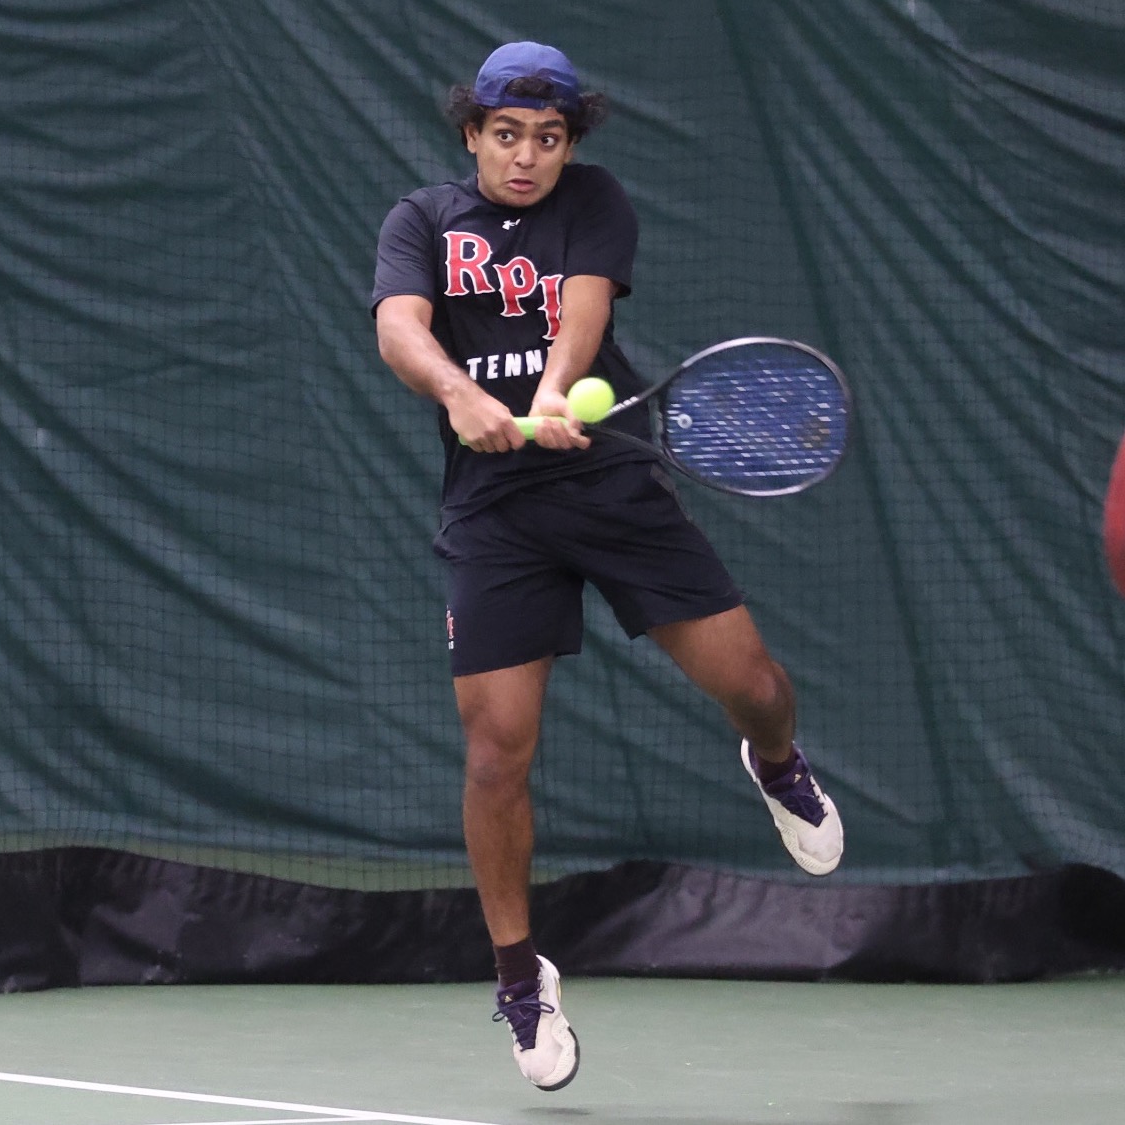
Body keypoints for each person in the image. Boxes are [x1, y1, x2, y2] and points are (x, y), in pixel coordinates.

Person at [369, 41, 845, 1092]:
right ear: (471, 134)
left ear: (568, 143)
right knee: (496, 751)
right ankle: (515, 976)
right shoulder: (421, 219)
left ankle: (771, 764)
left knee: (755, 689)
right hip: (493, 513)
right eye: (506, 136)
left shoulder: (593, 201)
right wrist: (460, 398)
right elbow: (400, 327)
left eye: (546, 138)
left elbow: (580, 306)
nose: (526, 157)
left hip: (610, 484)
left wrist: (547, 392)